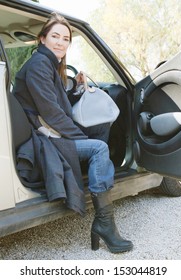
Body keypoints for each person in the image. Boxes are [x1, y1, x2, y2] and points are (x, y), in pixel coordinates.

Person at [13, 12, 133, 253]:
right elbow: (51, 114)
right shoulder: (39, 65)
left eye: (65, 38)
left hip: (49, 132)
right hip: (43, 140)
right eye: (55, 36)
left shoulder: (48, 64)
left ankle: (94, 178)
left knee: (100, 126)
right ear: (42, 39)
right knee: (99, 148)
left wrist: (76, 87)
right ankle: (104, 223)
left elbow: (55, 104)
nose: (60, 42)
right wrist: (81, 138)